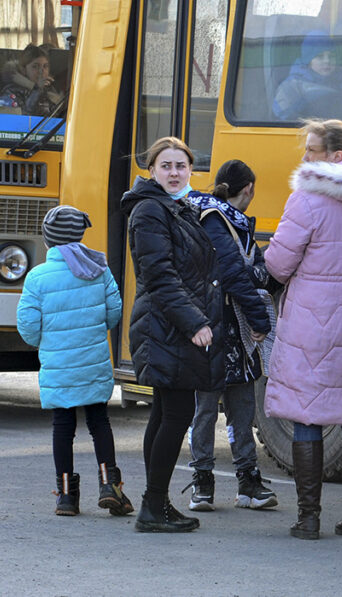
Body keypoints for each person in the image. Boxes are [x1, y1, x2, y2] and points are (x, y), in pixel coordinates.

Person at [263, 118, 342, 541]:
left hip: (312, 323)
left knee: (307, 415)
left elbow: (279, 264)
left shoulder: (307, 199)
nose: (305, 158)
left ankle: (309, 517)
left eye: (311, 150)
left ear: (337, 156)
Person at [120, 136, 224, 533]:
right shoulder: (150, 210)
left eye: (181, 166)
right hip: (166, 327)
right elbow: (159, 276)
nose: (175, 172)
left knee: (165, 412)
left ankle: (157, 502)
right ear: (152, 170)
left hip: (167, 325)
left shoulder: (174, 208)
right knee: (177, 413)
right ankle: (153, 506)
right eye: (166, 165)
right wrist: (195, 322)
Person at [16, 206, 133, 518]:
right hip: (93, 360)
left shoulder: (37, 277)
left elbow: (28, 327)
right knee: (99, 422)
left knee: (62, 426)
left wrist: (49, 342)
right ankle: (111, 486)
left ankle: (67, 495)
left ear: (48, 240)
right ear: (80, 234)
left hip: (58, 364)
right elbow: (113, 313)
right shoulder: (99, 270)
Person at [184, 160, 280, 512]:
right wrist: (259, 318)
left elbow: (244, 272)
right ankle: (209, 482)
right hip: (221, 324)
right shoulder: (217, 218)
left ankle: (240, 482)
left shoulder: (219, 217)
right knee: (215, 406)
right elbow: (234, 274)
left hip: (223, 324)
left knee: (233, 406)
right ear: (249, 189)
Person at [272, 31, 342, 120]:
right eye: (320, 56)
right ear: (308, 61)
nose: (327, 61)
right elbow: (281, 115)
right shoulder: (292, 86)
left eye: (331, 56)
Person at [0, 44, 64, 116]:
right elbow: (24, 117)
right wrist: (37, 89)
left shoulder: (51, 88)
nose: (41, 71)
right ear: (24, 69)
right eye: (35, 66)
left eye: (45, 66)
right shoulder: (11, 91)